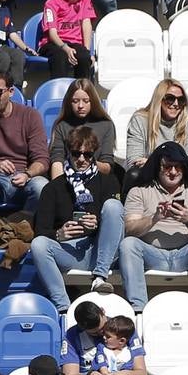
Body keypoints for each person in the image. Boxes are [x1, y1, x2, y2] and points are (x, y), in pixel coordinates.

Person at [119, 141, 188, 314]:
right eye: (167, 167)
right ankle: (138, 310)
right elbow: (130, 229)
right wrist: (155, 218)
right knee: (128, 245)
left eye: (178, 167)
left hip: (186, 254)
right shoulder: (139, 191)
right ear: (157, 167)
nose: (173, 172)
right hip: (152, 254)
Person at [30, 126, 126, 311]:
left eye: (88, 154)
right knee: (39, 244)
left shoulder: (109, 181)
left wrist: (98, 223)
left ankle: (100, 277)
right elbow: (40, 230)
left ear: (94, 154)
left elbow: (117, 222)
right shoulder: (53, 188)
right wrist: (59, 233)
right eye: (76, 154)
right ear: (68, 153)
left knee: (113, 206)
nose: (82, 159)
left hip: (102, 249)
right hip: (71, 250)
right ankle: (63, 308)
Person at [0, 68, 50, 223]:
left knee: (42, 186)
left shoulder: (30, 115)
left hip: (23, 176)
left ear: (11, 91)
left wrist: (28, 174)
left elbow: (42, 159)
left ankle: (22, 227)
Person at [124, 78, 188, 184]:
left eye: (181, 100)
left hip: (178, 178)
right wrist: (174, 164)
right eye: (170, 98)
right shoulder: (140, 120)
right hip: (148, 180)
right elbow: (134, 161)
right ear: (159, 99)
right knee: (134, 174)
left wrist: (153, 162)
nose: (176, 104)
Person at [48, 79, 116, 180]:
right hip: (67, 178)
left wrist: (87, 162)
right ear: (69, 102)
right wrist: (58, 188)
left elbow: (107, 166)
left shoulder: (106, 125)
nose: (80, 106)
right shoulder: (62, 125)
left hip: (98, 179)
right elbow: (57, 160)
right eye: (75, 101)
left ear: (93, 101)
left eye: (86, 101)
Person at [38, 0, 96, 80]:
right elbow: (52, 34)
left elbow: (86, 23)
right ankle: (60, 91)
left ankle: (82, 90)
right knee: (60, 56)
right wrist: (65, 48)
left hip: (75, 43)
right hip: (54, 43)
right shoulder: (51, 4)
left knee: (84, 57)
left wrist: (88, 50)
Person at [87, 316, 152, 375]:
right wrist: (104, 371)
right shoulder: (102, 347)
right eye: (104, 334)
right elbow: (100, 359)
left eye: (108, 336)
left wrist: (124, 374)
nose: (104, 337)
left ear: (122, 341)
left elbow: (137, 371)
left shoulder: (129, 352)